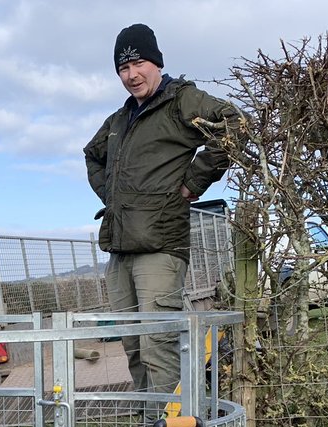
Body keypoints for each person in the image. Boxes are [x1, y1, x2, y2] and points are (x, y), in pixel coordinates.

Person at [83, 23, 237, 402]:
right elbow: (92, 154)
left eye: (138, 63)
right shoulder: (121, 120)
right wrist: (113, 197)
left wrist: (192, 184)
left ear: (156, 62)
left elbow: (234, 124)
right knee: (133, 347)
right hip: (120, 248)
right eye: (122, 68)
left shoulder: (182, 100)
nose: (131, 75)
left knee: (159, 345)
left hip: (160, 246)